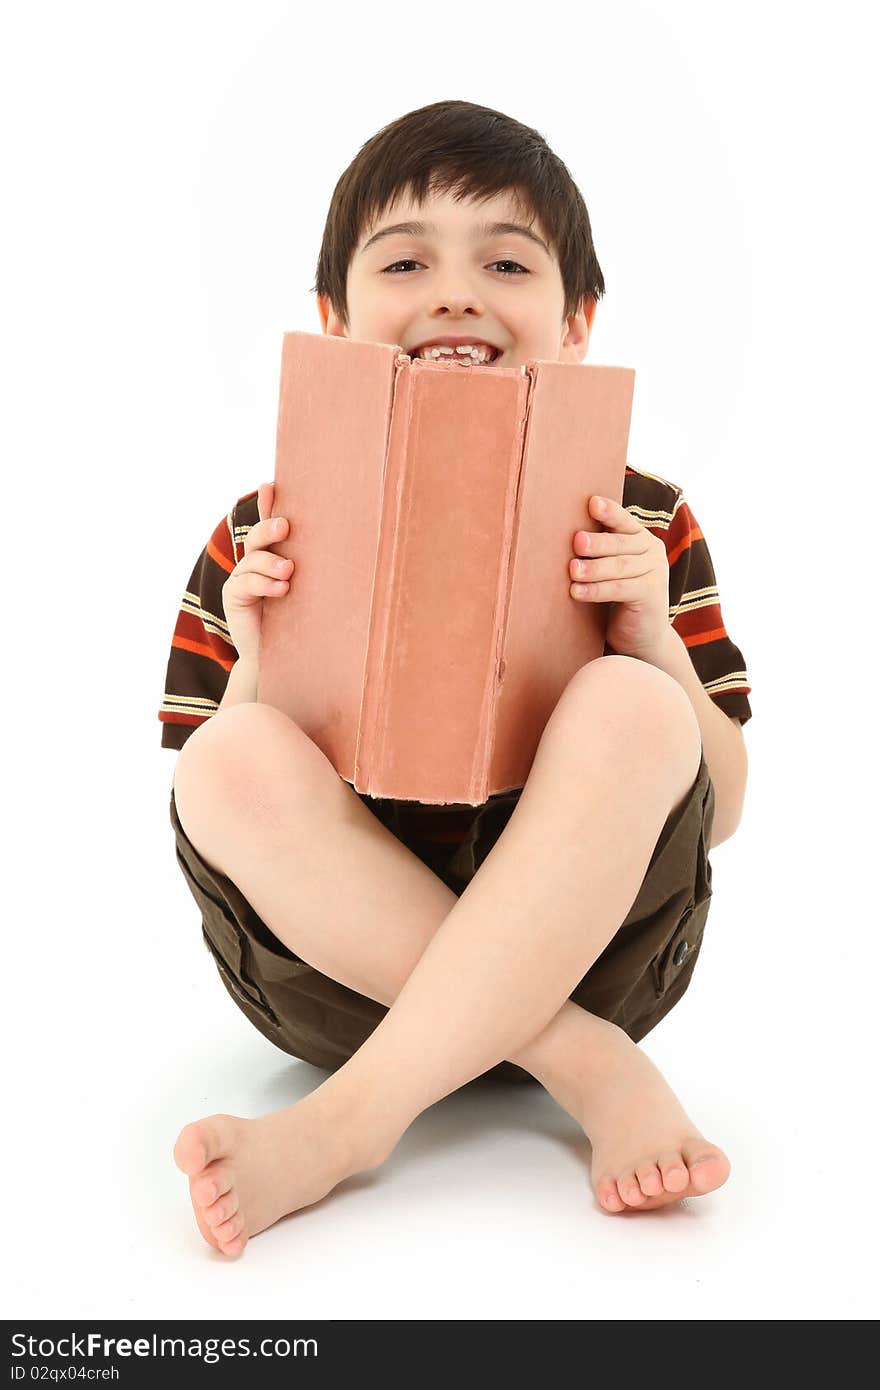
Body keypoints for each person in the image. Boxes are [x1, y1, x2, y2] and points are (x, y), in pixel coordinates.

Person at [159, 100, 753, 1258]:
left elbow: (721, 812)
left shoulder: (642, 520)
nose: (454, 292)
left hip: (601, 952)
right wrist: (260, 657)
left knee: (633, 702)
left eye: (505, 261)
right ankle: (581, 1063)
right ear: (333, 319)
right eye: (405, 260)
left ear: (575, 322)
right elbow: (223, 807)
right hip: (339, 991)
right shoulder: (258, 529)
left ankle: (343, 1128)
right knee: (222, 755)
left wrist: (653, 640)